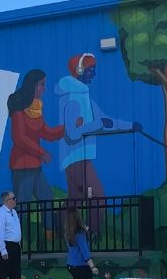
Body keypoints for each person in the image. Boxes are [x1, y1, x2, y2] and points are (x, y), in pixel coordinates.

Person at [57, 52, 139, 233]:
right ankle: (91, 235)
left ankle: (61, 231)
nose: (94, 74)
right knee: (98, 197)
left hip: (78, 157)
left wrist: (130, 126)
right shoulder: (72, 100)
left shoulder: (85, 99)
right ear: (79, 70)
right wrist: (97, 124)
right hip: (76, 158)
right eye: (90, 70)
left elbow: (106, 121)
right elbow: (72, 133)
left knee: (75, 199)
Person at [7, 69, 64, 203]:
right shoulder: (18, 111)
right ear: (33, 85)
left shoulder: (36, 109)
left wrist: (67, 128)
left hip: (35, 166)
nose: (44, 88)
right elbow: (20, 138)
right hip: (21, 166)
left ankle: (51, 220)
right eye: (42, 84)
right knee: (23, 205)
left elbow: (47, 133)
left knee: (47, 200)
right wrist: (42, 152)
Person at [57, 206, 100, 279]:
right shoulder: (80, 233)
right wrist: (92, 266)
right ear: (78, 217)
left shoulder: (68, 232)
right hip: (82, 266)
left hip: (72, 265)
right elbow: (84, 251)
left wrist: (84, 232)